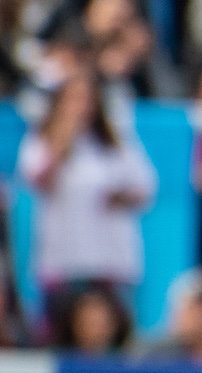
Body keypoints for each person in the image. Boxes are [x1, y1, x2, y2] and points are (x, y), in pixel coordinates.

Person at [17, 66, 157, 333]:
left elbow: (145, 189)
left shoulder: (116, 144)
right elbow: (37, 181)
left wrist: (119, 197)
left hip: (109, 261)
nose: (81, 106)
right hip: (64, 262)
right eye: (73, 98)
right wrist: (62, 140)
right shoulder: (41, 140)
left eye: (86, 98)